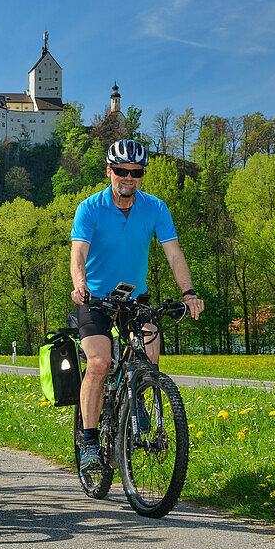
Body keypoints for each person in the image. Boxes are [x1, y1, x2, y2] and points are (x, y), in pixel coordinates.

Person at [69, 139, 204, 471]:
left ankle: (137, 397)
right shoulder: (90, 208)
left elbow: (174, 253)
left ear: (142, 174)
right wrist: (79, 284)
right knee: (99, 365)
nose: (128, 178)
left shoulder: (155, 208)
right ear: (109, 171)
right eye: (121, 171)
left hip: (135, 299)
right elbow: (78, 253)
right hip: (96, 299)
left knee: (151, 357)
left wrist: (189, 293)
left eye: (135, 172)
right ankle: (88, 443)